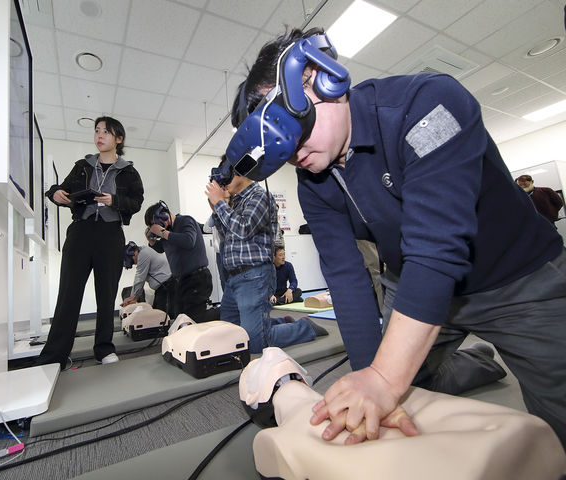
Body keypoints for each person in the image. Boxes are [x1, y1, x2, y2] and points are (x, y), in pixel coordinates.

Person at [229, 27, 566, 449]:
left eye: (284, 129)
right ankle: (476, 365)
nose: (291, 153)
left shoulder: (427, 104)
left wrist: (385, 378)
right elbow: (347, 278)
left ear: (320, 80)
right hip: (411, 285)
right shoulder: (313, 178)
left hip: (520, 280)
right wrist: (374, 382)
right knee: (408, 387)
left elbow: (437, 250)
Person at [36, 116, 144, 368]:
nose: (99, 135)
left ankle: (104, 349)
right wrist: (56, 194)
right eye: (97, 131)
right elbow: (59, 189)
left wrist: (113, 201)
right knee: (68, 294)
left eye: (106, 132)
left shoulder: (129, 172)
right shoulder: (82, 166)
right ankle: (55, 356)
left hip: (110, 235)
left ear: (119, 139)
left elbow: (136, 202)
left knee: (106, 295)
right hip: (80, 233)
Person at [206, 160, 322, 354]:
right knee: (231, 336)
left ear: (240, 173)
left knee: (255, 343)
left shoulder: (260, 196)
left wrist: (220, 204)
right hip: (234, 277)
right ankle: (275, 322)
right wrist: (218, 209)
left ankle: (304, 327)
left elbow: (243, 229)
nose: (224, 184)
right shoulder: (237, 202)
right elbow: (229, 236)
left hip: (254, 276)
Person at [144, 201, 216, 323]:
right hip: (180, 281)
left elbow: (188, 241)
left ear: (164, 216)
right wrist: (152, 241)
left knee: (195, 317)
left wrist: (162, 232)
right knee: (181, 319)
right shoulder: (168, 231)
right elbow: (163, 247)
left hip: (196, 278)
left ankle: (227, 313)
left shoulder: (185, 221)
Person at [122, 234, 175, 318]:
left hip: (167, 287)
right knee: (157, 317)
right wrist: (133, 297)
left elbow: (140, 278)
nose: (135, 263)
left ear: (133, 254)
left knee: (161, 317)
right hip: (164, 288)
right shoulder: (143, 251)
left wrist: (132, 297)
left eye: (133, 261)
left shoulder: (143, 254)